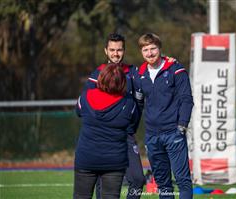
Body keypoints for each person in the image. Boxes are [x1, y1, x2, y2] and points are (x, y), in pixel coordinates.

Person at [85, 33, 146, 199]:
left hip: (125, 137)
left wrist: (167, 62)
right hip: (102, 138)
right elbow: (85, 105)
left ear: (124, 50)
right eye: (112, 50)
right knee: (104, 184)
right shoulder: (97, 74)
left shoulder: (133, 73)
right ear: (106, 51)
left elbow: (141, 102)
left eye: (119, 50)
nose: (116, 53)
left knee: (138, 179)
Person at [134, 33, 194, 199]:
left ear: (160, 48)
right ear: (141, 52)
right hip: (152, 137)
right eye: (145, 50)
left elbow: (187, 99)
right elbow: (138, 104)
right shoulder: (139, 75)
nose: (150, 53)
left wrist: (182, 125)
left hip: (174, 133)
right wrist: (131, 129)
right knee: (162, 183)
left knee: (183, 180)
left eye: (153, 48)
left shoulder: (176, 69)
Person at [73, 63, 139, 199]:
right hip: (114, 161)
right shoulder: (129, 103)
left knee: (81, 196)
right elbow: (132, 123)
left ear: (101, 79)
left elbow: (78, 112)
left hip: (86, 158)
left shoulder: (85, 97)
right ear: (122, 82)